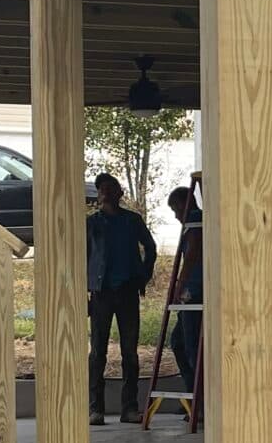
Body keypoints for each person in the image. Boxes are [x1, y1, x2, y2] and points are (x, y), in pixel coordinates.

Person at [85, 172, 158, 424]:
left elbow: (150, 247)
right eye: (100, 189)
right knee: (97, 353)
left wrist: (143, 276)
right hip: (101, 293)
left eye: (109, 187)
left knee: (130, 352)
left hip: (127, 291)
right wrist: (86, 289)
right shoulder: (92, 223)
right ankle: (95, 409)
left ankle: (129, 408)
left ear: (119, 193)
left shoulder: (132, 221)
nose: (104, 192)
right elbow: (82, 255)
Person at [166, 182, 203, 397]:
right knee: (178, 342)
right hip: (191, 291)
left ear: (184, 204)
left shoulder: (195, 220)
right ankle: (192, 393)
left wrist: (179, 284)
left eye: (175, 209)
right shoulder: (194, 221)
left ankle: (199, 398)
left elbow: (192, 255)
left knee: (190, 345)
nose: (176, 215)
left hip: (194, 292)